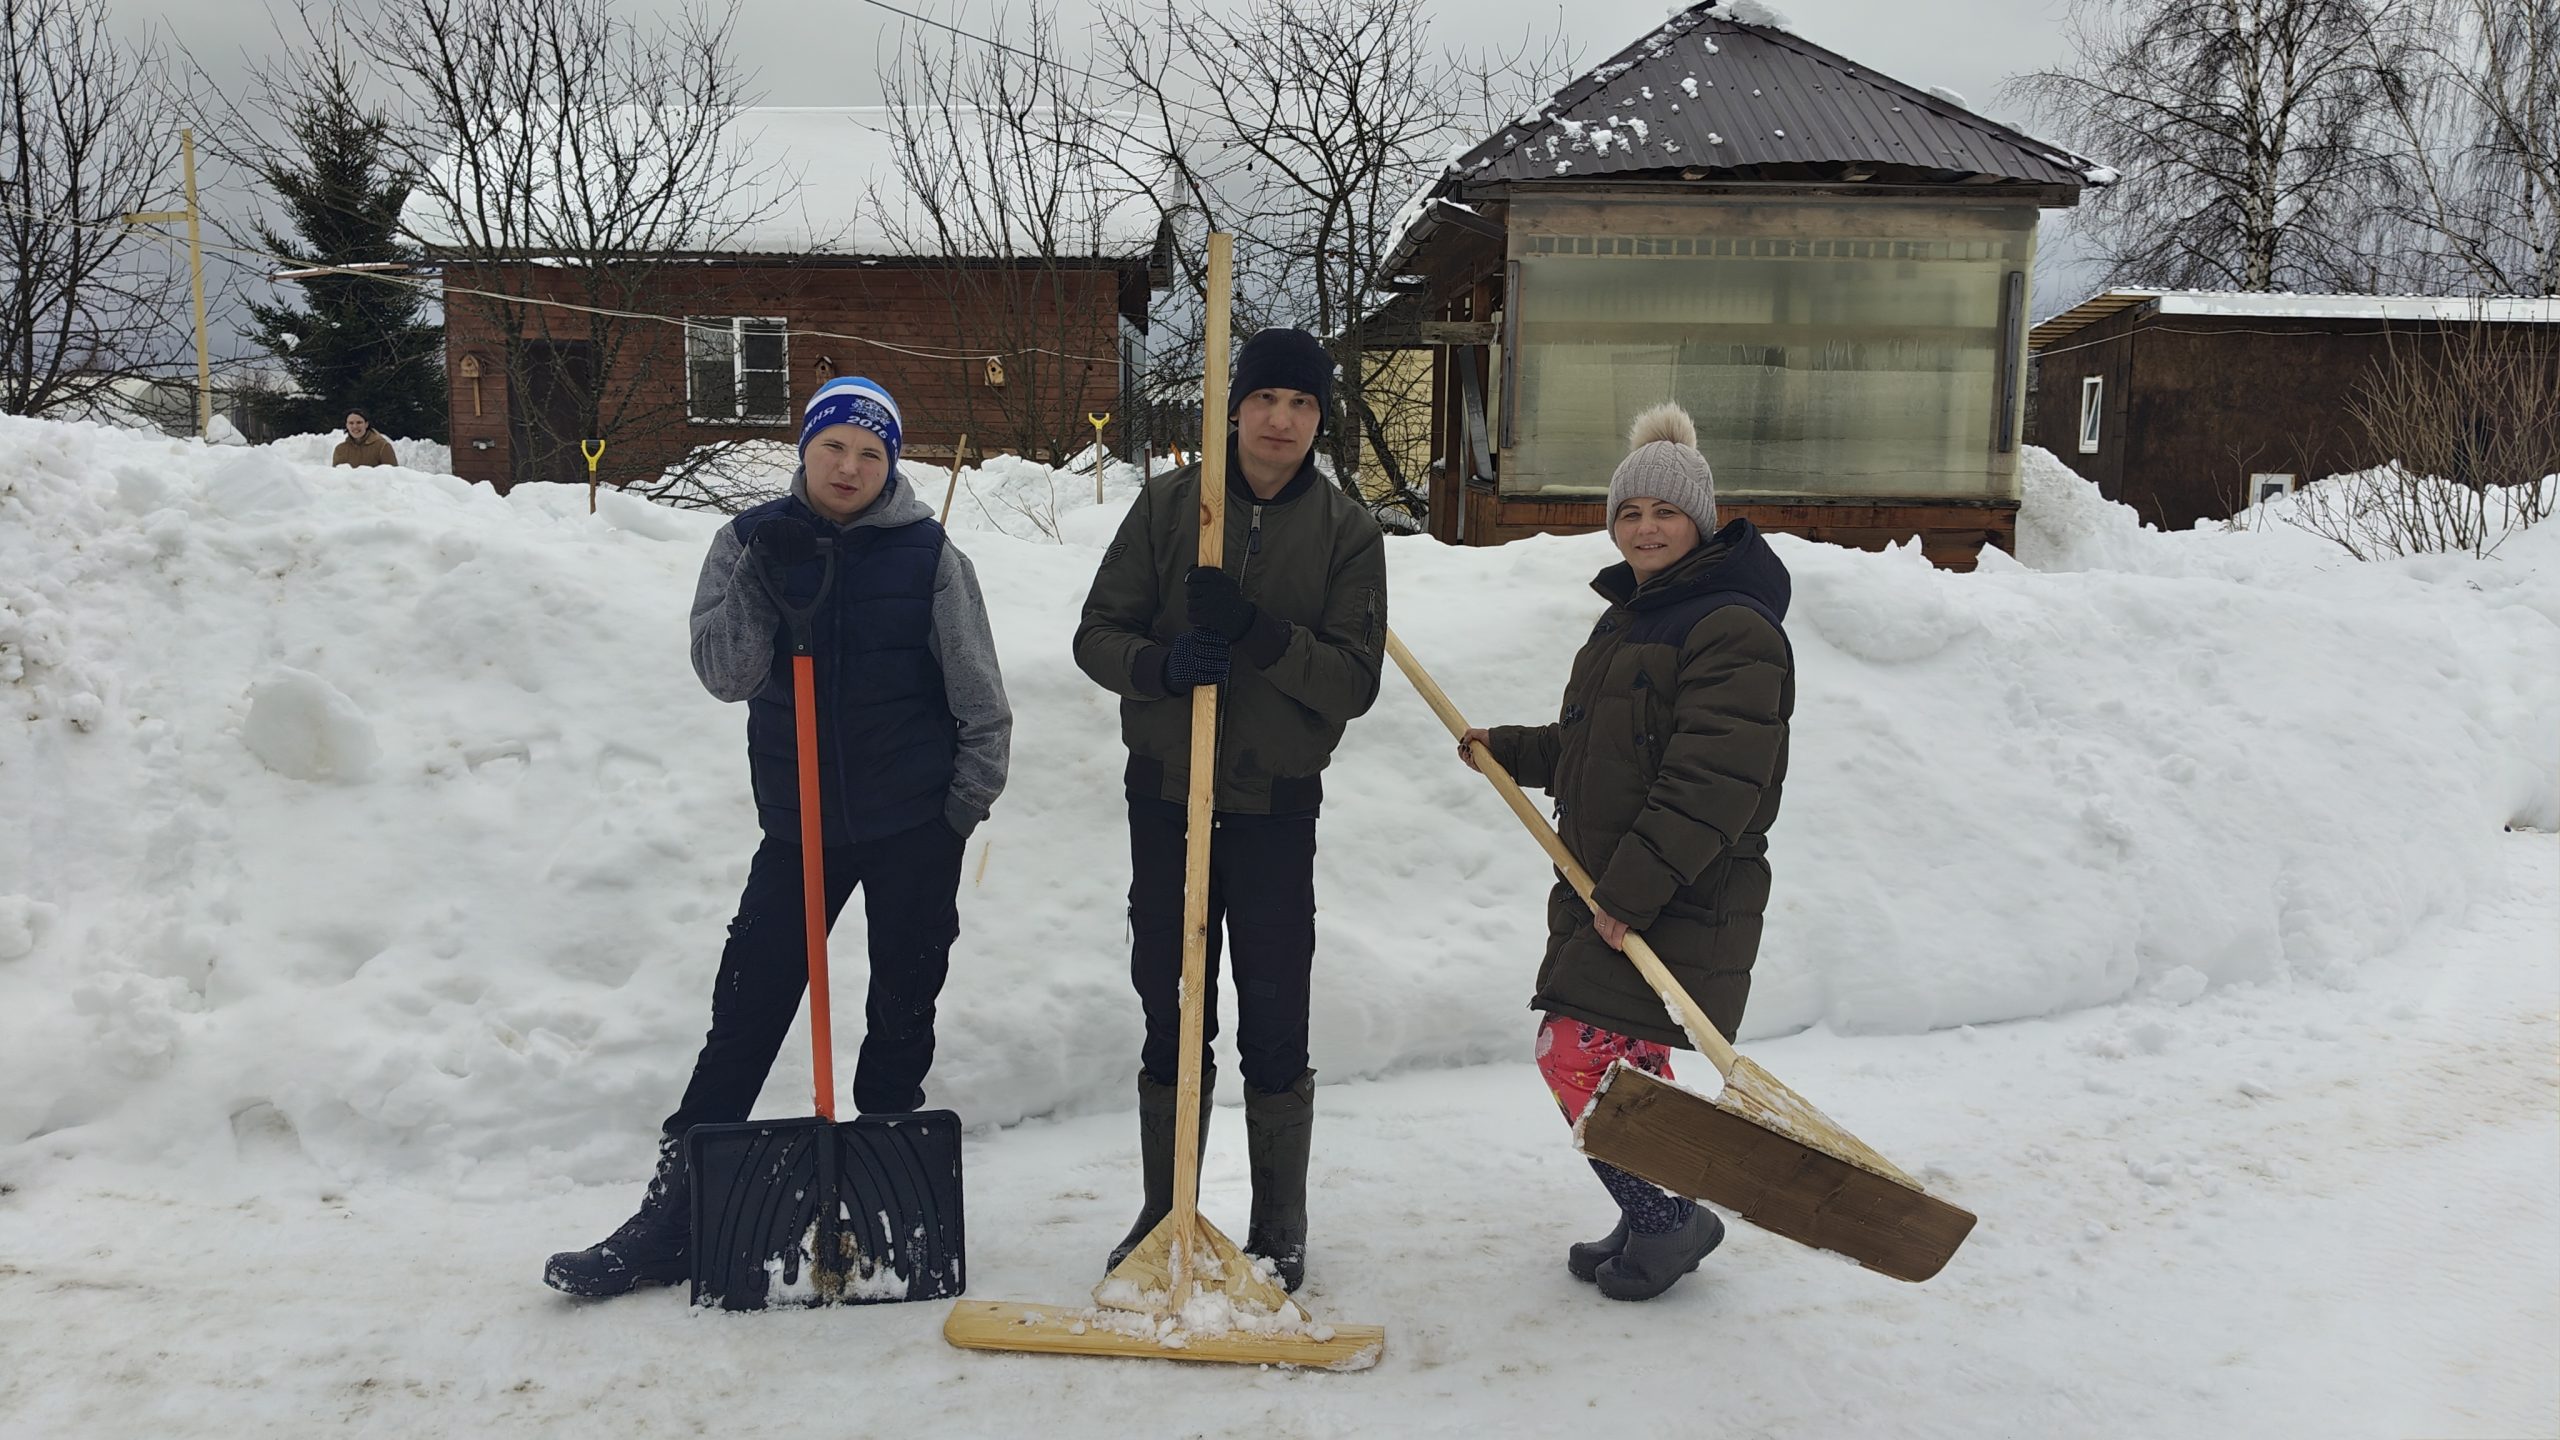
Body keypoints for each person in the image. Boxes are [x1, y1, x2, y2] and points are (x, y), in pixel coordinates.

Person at [544, 375, 1012, 1298]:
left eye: (871, 452)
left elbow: (981, 698)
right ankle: (674, 1213)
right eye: (834, 446)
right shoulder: (747, 541)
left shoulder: (929, 555)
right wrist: (766, 578)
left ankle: (887, 1195)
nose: (850, 466)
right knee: (749, 1004)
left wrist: (961, 808)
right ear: (805, 449)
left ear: (892, 463)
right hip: (801, 829)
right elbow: (726, 674)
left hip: (916, 823)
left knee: (903, 1007)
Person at [1072, 328, 1387, 1292]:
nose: (1281, 420)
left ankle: (1279, 1220)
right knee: (1172, 1007)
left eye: (1301, 404)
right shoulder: (1173, 509)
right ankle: (1166, 1204)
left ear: (1318, 419)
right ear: (1235, 408)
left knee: (1275, 1016)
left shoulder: (1346, 533)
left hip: (1274, 806)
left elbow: (1352, 681)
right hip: (1168, 798)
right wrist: (1162, 667)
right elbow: (1096, 636)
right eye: (1265, 401)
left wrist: (1256, 634)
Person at [1458, 402, 1793, 1303]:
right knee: (1624, 1076)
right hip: (1619, 891)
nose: (1644, 528)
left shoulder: (1732, 627)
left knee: (1576, 1056)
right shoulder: (1637, 620)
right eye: (1629, 513)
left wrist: (1633, 890)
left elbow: (1712, 781)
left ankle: (1669, 1221)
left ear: (1703, 521)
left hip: (1676, 898)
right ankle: (1656, 1208)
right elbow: (1601, 750)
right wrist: (1514, 749)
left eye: (1665, 512)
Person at [330, 410, 398, 467]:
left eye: (359, 422)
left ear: (366, 424)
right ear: (347, 425)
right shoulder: (340, 449)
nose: (355, 426)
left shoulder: (382, 447)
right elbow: (336, 477)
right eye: (351, 423)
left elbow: (393, 476)